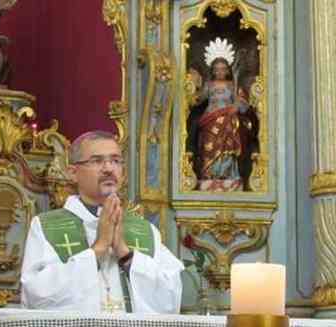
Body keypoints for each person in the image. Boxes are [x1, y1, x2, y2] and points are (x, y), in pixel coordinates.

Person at [20, 131, 183, 313]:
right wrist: (99, 248)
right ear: (73, 173)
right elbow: (36, 294)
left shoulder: (146, 230)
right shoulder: (45, 226)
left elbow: (171, 297)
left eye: (115, 161)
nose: (108, 168)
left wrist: (125, 253)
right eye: (97, 161)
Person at [187, 57, 258, 192]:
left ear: (227, 71)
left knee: (227, 146)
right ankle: (209, 174)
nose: (220, 72)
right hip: (210, 119)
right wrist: (192, 87)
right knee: (209, 145)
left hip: (227, 119)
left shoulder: (232, 85)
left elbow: (241, 103)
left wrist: (236, 104)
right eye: (217, 69)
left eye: (223, 69)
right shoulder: (208, 85)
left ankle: (228, 174)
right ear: (213, 71)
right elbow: (197, 100)